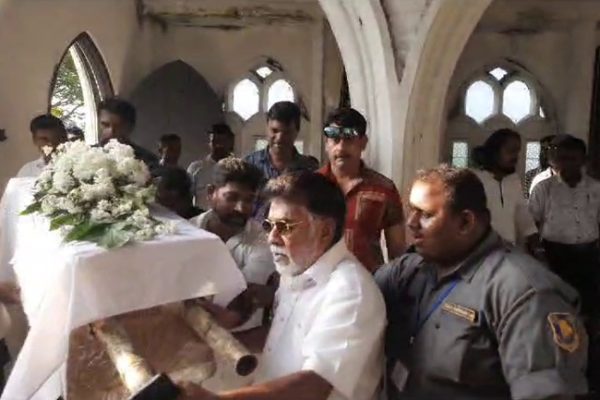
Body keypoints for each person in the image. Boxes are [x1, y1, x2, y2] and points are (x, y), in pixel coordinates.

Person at [375, 165, 588, 399]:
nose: (411, 223)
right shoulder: (410, 270)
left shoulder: (524, 292)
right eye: (411, 210)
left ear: (465, 222)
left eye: (426, 214)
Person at [181, 171, 386, 400]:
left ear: (325, 231)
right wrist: (216, 344)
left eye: (285, 226)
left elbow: (314, 386)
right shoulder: (297, 267)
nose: (272, 238)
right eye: (269, 226)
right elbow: (283, 334)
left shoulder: (350, 293)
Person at [190, 158, 274, 331]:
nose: (241, 208)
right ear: (211, 193)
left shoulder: (263, 240)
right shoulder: (187, 231)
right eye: (232, 198)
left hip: (243, 336)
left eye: (249, 200)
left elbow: (238, 298)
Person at [318, 108, 405, 272]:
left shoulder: (384, 189)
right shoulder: (309, 186)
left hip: (368, 282)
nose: (341, 148)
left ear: (363, 143)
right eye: (335, 140)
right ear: (326, 144)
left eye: (349, 140)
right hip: (318, 283)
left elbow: (398, 253)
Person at [529, 135, 600, 315]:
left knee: (587, 305)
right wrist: (539, 254)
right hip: (555, 255)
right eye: (562, 159)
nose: (566, 164)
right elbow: (531, 224)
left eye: (572, 159)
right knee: (556, 306)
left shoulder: (596, 188)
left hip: (589, 256)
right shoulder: (543, 188)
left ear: (583, 160)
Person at [244, 101, 319, 217]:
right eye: (274, 131)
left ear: (297, 132)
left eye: (287, 132)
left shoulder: (309, 168)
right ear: (267, 128)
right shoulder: (249, 165)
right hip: (256, 228)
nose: (279, 138)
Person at [471, 129, 538, 251]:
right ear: (494, 152)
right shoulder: (475, 180)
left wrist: (537, 247)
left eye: (517, 151)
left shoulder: (514, 181)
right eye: (510, 151)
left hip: (508, 251)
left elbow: (523, 217)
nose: (515, 157)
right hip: (481, 252)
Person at [98, 97, 159, 171]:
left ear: (130, 127)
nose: (111, 132)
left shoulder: (147, 160)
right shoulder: (87, 156)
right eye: (105, 125)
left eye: (118, 126)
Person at [187, 124, 235, 210]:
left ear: (230, 143)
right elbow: (186, 197)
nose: (218, 145)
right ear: (209, 143)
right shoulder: (196, 168)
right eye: (214, 141)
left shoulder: (238, 170)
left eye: (222, 142)